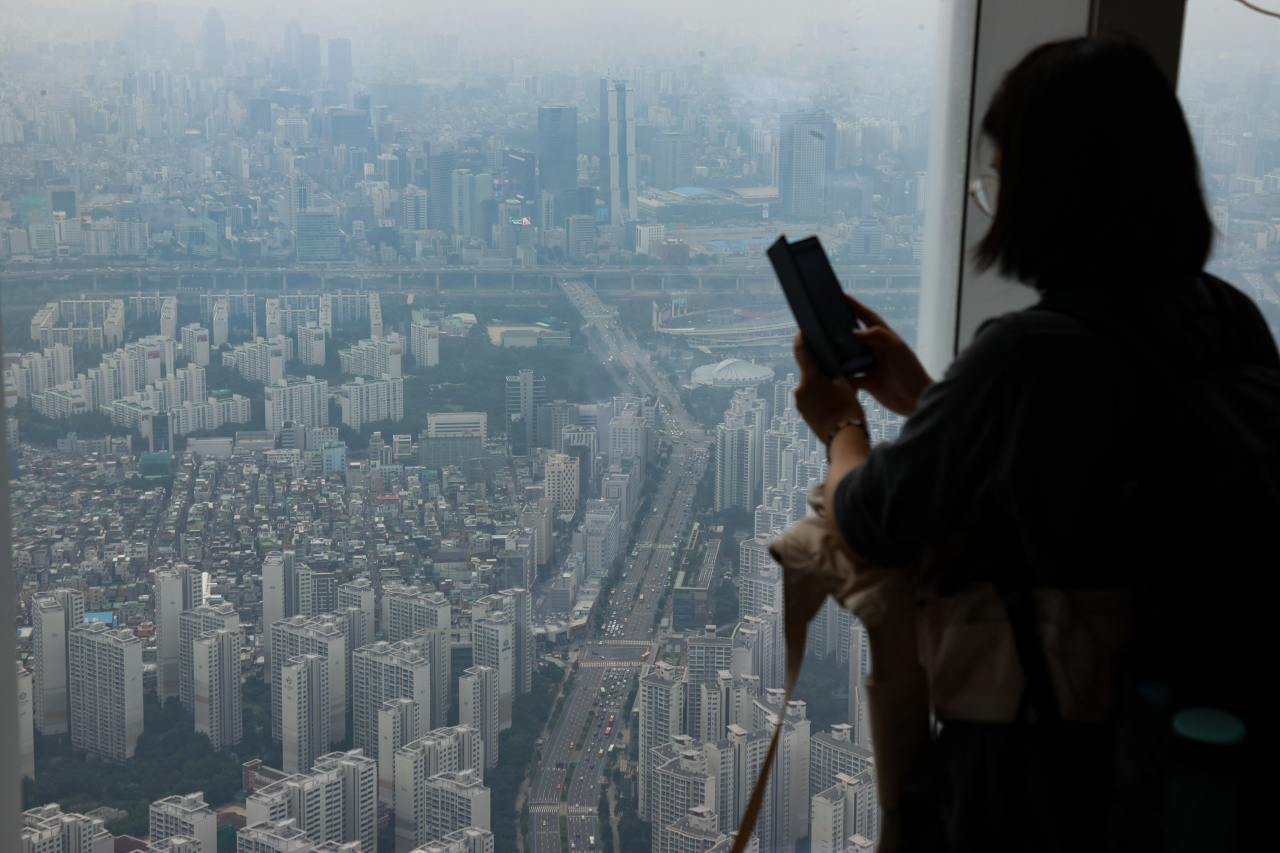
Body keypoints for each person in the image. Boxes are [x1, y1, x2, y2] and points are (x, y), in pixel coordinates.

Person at [790, 37, 1278, 852]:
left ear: (1047, 194)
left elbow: (871, 518)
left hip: (1044, 758)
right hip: (1188, 732)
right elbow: (1093, 454)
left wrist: (840, 421)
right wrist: (926, 395)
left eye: (1000, 174)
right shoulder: (1225, 315)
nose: (993, 192)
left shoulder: (1028, 354)